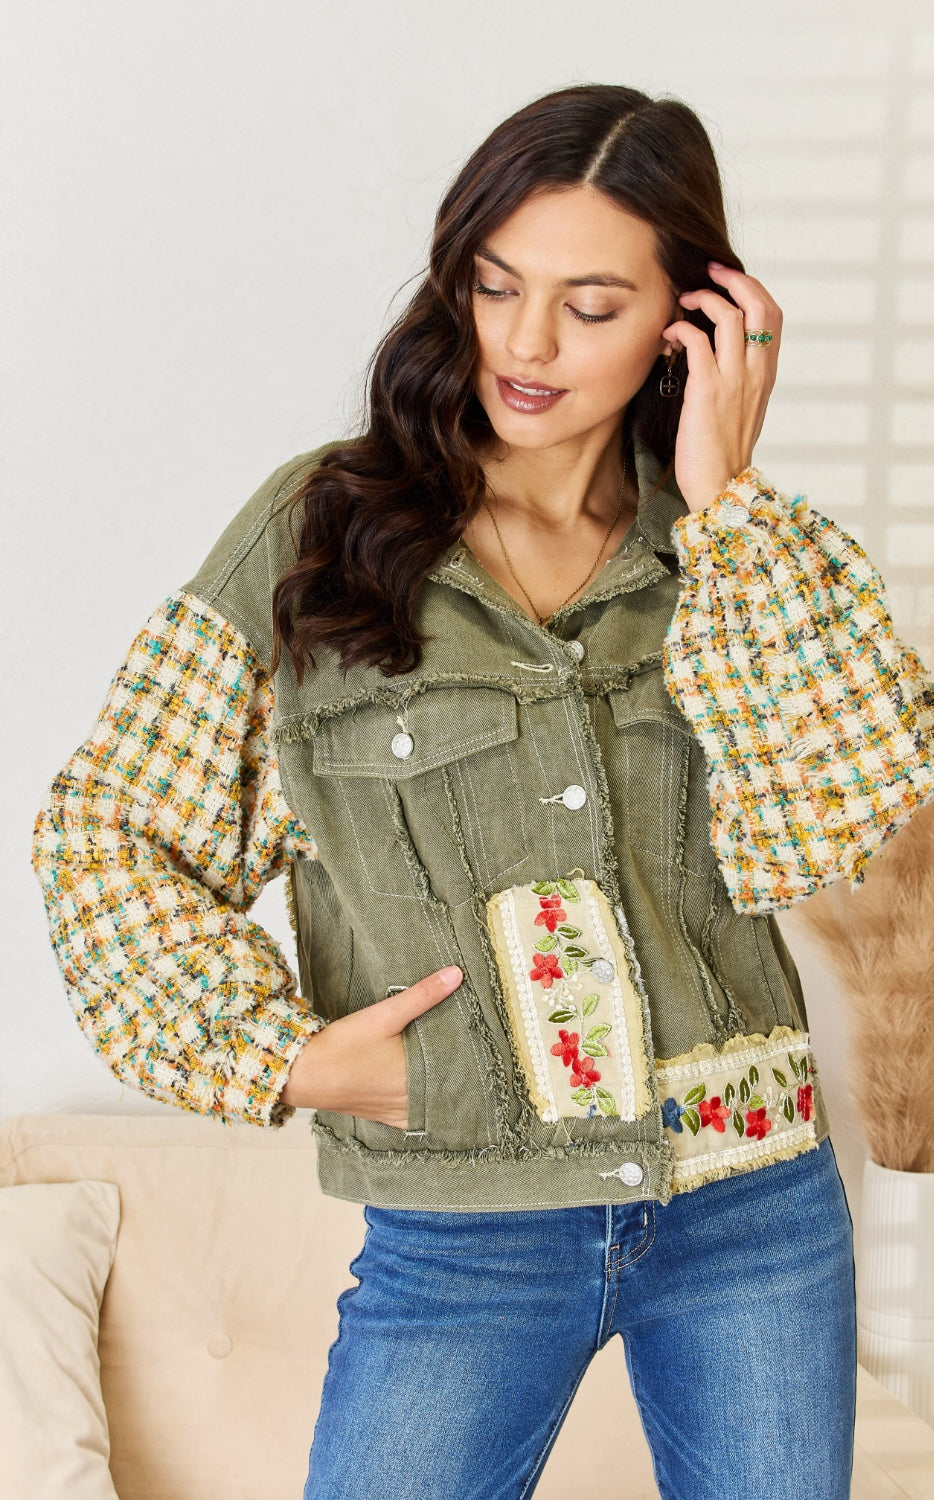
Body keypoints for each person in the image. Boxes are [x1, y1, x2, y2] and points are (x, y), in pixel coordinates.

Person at [34, 84, 862, 1498]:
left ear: (693, 315)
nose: (525, 344)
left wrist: (726, 496)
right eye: (494, 285)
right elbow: (107, 826)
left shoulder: (728, 553)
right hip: (467, 1222)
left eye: (591, 305)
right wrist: (292, 1059)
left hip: (751, 1208)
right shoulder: (324, 532)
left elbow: (824, 822)